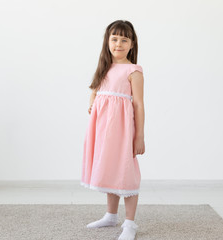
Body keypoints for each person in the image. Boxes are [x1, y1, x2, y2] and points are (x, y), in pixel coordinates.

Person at [80, 20, 145, 240]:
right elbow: (96, 89)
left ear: (132, 44)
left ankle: (130, 224)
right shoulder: (104, 67)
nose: (118, 43)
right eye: (114, 39)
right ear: (108, 41)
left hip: (122, 130)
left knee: (125, 170)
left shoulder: (133, 71)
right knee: (109, 167)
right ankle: (110, 215)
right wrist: (92, 101)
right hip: (102, 129)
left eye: (124, 39)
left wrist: (139, 136)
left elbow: (138, 104)